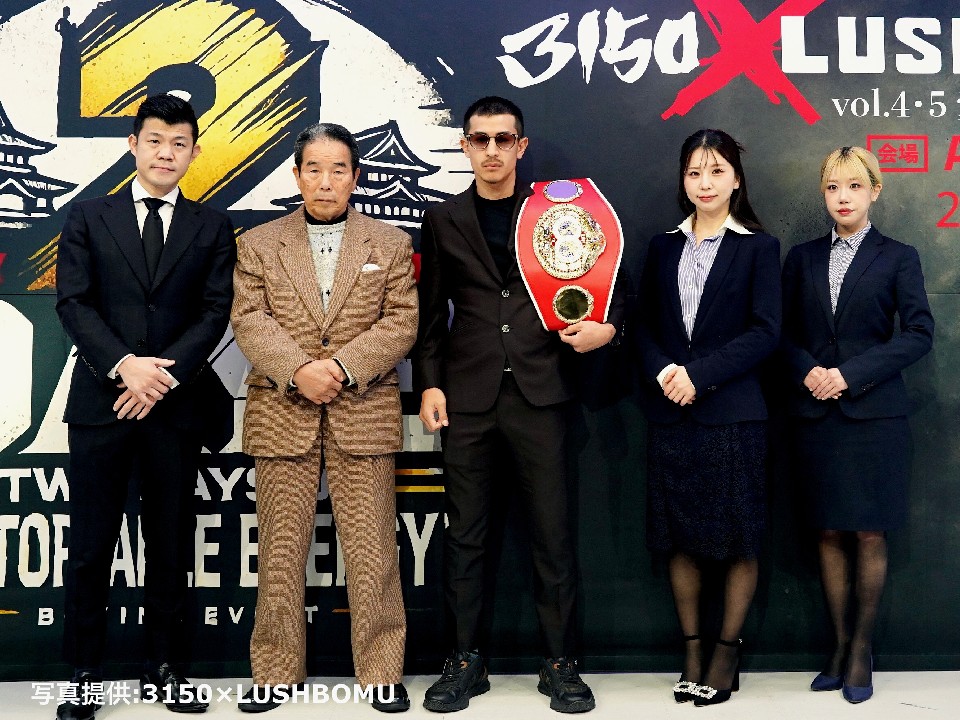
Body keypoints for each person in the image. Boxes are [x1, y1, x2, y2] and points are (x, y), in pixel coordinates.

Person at [416, 96, 622, 714]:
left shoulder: (559, 213)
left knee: (553, 536)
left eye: (503, 139)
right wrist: (429, 384)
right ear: (465, 146)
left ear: (521, 146)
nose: (491, 151)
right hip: (468, 396)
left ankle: (560, 663)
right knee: (465, 537)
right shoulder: (443, 218)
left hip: (544, 390)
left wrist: (608, 327)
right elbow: (430, 313)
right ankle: (464, 661)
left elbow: (607, 278)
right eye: (479, 139)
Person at [55, 93, 236, 719]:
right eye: (155, 140)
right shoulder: (87, 216)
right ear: (133, 145)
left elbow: (215, 312)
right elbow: (74, 302)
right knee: (91, 545)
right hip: (101, 404)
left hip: (174, 407)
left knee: (169, 542)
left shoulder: (211, 227)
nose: (166, 152)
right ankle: (84, 673)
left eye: (179, 143)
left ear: (194, 152)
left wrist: (159, 377)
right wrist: (124, 367)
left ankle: (166, 668)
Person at [231, 122, 418, 714]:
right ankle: (274, 673)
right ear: (297, 175)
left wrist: (339, 367)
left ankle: (381, 672)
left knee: (373, 553)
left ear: (355, 177)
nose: (326, 181)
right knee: (279, 552)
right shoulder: (258, 243)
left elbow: (401, 322)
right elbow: (250, 319)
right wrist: (298, 370)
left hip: (362, 411)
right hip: (282, 410)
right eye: (314, 168)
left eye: (339, 169)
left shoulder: (389, 243)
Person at [631, 129, 781, 706]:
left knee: (739, 539)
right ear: (683, 180)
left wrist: (700, 375)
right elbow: (642, 325)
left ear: (736, 179)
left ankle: (725, 653)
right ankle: (692, 651)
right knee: (680, 541)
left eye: (716, 171)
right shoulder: (662, 246)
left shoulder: (758, 248)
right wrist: (666, 371)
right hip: (672, 411)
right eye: (694, 172)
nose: (705, 183)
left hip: (733, 416)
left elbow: (765, 332)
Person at [781, 146, 934, 704]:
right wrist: (808, 371)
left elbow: (918, 333)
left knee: (869, 531)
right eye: (832, 187)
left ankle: (862, 651)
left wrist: (849, 375)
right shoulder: (800, 258)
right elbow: (779, 332)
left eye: (854, 186)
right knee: (827, 531)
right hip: (815, 414)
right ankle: (839, 647)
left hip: (874, 415)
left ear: (875, 191)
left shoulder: (899, 257)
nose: (842, 197)